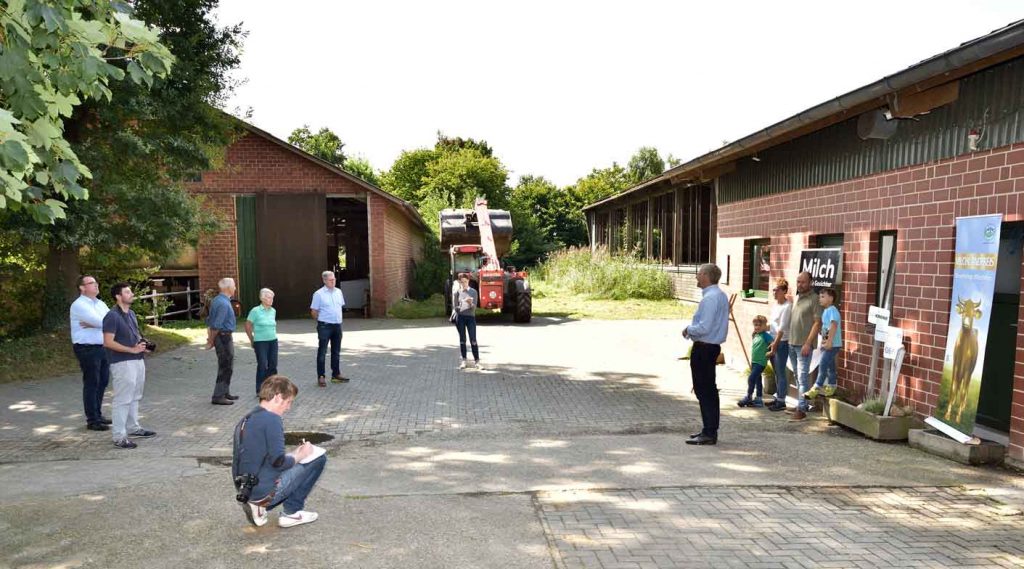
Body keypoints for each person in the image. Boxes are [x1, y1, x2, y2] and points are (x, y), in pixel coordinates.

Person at [233, 375, 326, 529]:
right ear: (277, 397)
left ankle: (257, 505)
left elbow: (262, 457)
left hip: (246, 488)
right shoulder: (272, 420)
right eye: (288, 402)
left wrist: (295, 454)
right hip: (263, 492)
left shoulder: (247, 418)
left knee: (297, 458)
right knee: (319, 458)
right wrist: (302, 454)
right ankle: (291, 512)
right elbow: (279, 462)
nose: (288, 407)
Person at [102, 283, 156, 449]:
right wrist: (131, 350)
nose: (131, 294)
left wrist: (142, 347)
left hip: (137, 360)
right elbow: (108, 342)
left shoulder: (131, 314)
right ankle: (119, 436)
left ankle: (133, 427)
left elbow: (135, 335)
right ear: (118, 296)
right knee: (123, 399)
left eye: (130, 291)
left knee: (135, 396)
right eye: (127, 292)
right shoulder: (111, 316)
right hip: (122, 362)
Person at [682, 263, 729, 446]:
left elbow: (704, 327)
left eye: (699, 273)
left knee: (705, 390)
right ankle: (708, 429)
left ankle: (709, 432)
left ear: (707, 276)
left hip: (704, 347)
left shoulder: (710, 298)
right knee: (707, 390)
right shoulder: (719, 295)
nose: (696, 276)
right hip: (710, 347)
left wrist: (688, 330)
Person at [70, 275, 112, 431]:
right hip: (87, 348)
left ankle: (98, 414)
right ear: (82, 287)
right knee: (92, 383)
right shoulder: (79, 305)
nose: (96, 285)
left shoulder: (100, 303)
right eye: (91, 283)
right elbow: (103, 322)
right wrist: (98, 324)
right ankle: (92, 420)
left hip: (102, 346)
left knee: (103, 381)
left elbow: (111, 321)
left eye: (96, 282)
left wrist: (94, 324)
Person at [787, 272, 823, 421]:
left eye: (803, 282)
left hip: (804, 345)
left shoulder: (814, 299)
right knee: (796, 375)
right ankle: (800, 404)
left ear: (810, 283)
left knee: (802, 377)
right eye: (798, 282)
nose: (800, 284)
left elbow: (817, 322)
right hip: (792, 342)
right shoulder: (797, 298)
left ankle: (802, 409)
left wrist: (808, 343)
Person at [310, 270, 347, 387]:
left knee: (336, 351)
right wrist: (321, 323)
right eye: (331, 280)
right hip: (325, 326)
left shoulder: (339, 292)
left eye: (334, 279)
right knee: (322, 352)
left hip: (337, 325)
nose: (333, 281)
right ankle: (321, 376)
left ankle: (336, 374)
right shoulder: (318, 294)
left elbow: (339, 307)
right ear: (324, 280)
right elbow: (314, 312)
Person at [207, 277, 239, 405]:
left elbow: (209, 320)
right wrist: (211, 340)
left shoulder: (219, 300)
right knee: (225, 366)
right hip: (223, 337)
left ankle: (225, 392)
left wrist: (211, 338)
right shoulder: (223, 303)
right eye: (234, 286)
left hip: (224, 336)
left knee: (228, 365)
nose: (235, 288)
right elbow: (216, 325)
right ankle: (218, 395)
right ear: (228, 288)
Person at [805, 287, 842, 398]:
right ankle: (831, 385)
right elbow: (825, 329)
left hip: (833, 344)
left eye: (823, 297)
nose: (820, 299)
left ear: (831, 298)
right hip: (827, 344)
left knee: (823, 363)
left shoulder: (832, 310)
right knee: (830, 366)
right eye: (819, 297)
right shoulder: (826, 311)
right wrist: (823, 342)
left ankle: (816, 387)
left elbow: (834, 325)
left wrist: (829, 341)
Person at [766, 279, 793, 412]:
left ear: (783, 291)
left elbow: (782, 329)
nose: (774, 292)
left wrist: (774, 346)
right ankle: (778, 396)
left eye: (776, 290)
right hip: (772, 339)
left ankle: (781, 400)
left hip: (781, 342)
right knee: (776, 371)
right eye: (773, 290)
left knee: (781, 371)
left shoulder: (787, 307)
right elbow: (773, 325)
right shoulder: (776, 305)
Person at [246, 288, 278, 396]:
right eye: (269, 297)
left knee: (273, 364)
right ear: (262, 298)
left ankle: (272, 388)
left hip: (273, 341)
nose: (271, 300)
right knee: (262, 364)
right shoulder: (255, 311)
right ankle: (260, 389)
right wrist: (252, 339)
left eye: (272, 297)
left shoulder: (273, 311)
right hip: (260, 342)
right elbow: (248, 326)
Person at [738, 315, 772, 408]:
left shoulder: (766, 335)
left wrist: (770, 352)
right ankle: (759, 400)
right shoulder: (756, 335)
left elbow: (772, 344)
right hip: (754, 361)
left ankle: (748, 396)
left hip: (761, 362)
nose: (757, 327)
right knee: (758, 380)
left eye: (759, 325)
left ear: (765, 326)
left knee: (751, 378)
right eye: (755, 325)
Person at [452, 273, 481, 369]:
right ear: (460, 282)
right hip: (460, 318)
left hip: (470, 318)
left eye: (466, 282)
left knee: (473, 339)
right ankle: (464, 360)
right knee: (462, 340)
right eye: (462, 282)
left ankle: (477, 361)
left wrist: (470, 303)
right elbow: (455, 307)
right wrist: (459, 307)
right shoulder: (457, 293)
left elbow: (474, 308)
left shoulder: (474, 292)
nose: (464, 284)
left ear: (468, 281)